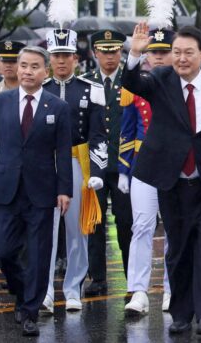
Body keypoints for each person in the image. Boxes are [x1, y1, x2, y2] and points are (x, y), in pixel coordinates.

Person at [122, 22, 201, 336]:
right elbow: (132, 81)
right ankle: (180, 313)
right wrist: (135, 53)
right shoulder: (161, 79)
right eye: (177, 52)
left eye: (189, 52)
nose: (181, 58)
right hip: (173, 181)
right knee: (178, 250)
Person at [0, 46, 72, 336]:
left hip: (42, 190)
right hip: (5, 188)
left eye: (35, 66)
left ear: (46, 72)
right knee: (4, 252)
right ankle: (21, 292)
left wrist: (64, 189)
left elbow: (63, 152)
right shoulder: (0, 102)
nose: (28, 71)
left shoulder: (57, 107)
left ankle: (30, 311)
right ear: (16, 69)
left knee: (40, 254)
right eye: (24, 66)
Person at [41, 27, 106, 314]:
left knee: (78, 230)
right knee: (44, 229)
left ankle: (73, 288)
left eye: (66, 55)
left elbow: (99, 134)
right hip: (46, 163)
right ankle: (43, 290)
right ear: (49, 59)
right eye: (56, 56)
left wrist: (98, 171)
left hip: (79, 162)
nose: (61, 61)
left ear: (76, 58)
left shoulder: (91, 89)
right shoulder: (40, 90)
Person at [121, 27, 175, 314]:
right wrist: (135, 52)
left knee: (174, 229)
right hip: (145, 164)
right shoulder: (143, 82)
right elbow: (128, 81)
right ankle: (139, 291)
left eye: (165, 51)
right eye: (155, 52)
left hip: (177, 164)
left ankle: (171, 288)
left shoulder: (186, 83)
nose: (160, 58)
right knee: (141, 226)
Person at [81, 29, 133, 296]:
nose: (110, 56)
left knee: (126, 223)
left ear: (121, 52)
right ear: (95, 53)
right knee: (95, 222)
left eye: (114, 51)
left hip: (125, 165)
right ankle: (97, 277)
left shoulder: (131, 80)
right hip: (95, 165)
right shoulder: (86, 82)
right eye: (105, 51)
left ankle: (131, 278)